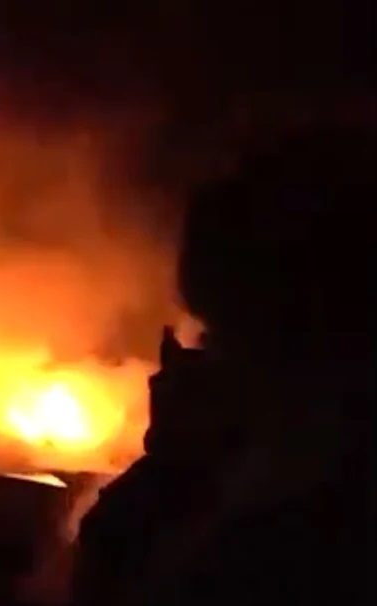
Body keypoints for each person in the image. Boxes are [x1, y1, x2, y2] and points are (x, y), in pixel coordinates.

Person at [71, 128, 375, 606]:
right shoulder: (270, 479)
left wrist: (172, 469)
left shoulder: (305, 523)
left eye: (224, 333)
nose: (210, 362)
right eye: (209, 333)